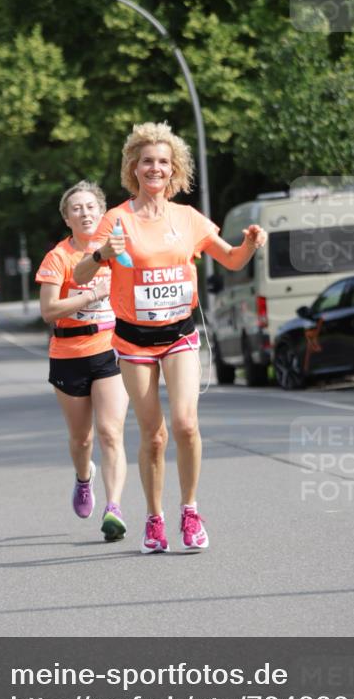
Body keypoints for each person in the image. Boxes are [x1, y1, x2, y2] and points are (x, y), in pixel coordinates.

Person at [74, 121, 267, 554]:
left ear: (174, 168)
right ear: (133, 168)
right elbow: (81, 273)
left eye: (163, 162)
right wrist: (103, 253)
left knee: (185, 423)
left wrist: (251, 244)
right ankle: (155, 518)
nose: (155, 168)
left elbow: (233, 260)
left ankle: (191, 510)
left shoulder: (188, 218)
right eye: (147, 161)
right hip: (133, 341)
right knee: (154, 435)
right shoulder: (116, 219)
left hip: (180, 334)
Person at [36, 180, 129, 541]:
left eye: (91, 207)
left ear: (102, 212)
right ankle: (83, 477)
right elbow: (48, 310)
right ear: (67, 218)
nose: (85, 213)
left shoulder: (119, 252)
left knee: (110, 432)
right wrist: (89, 295)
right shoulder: (58, 257)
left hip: (110, 349)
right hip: (68, 353)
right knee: (82, 439)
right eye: (77, 208)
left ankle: (114, 508)